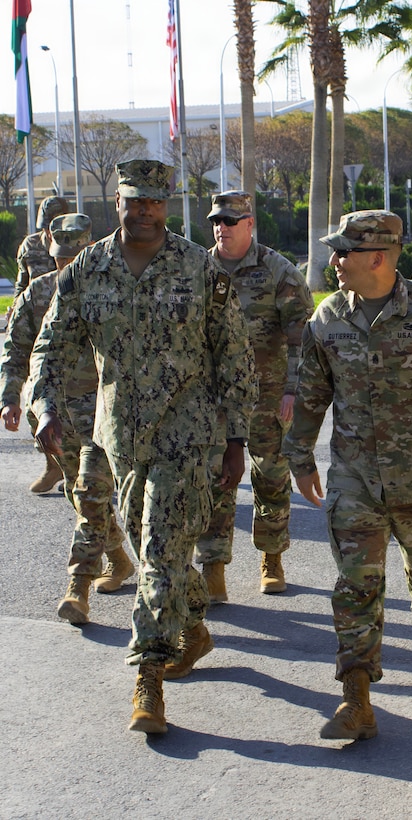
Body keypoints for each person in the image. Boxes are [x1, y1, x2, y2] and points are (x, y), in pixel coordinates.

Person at [30, 160, 257, 735]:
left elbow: (234, 353)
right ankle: (194, 628)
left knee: (158, 549)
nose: (145, 212)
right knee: (156, 546)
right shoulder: (89, 268)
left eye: (155, 202)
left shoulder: (198, 268)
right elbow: (50, 343)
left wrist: (236, 438)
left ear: (167, 205)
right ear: (119, 204)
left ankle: (148, 677)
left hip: (187, 432)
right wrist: (45, 405)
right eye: (135, 201)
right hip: (121, 437)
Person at [283, 210, 412, 741]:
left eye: (343, 252)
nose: (334, 260)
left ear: (377, 257)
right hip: (355, 477)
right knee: (355, 584)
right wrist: (299, 458)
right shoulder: (328, 316)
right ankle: (356, 698)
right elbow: (311, 394)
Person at [1, 213, 135, 625]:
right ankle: (119, 557)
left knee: (91, 493)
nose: (66, 265)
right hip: (56, 414)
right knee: (79, 494)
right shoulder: (39, 292)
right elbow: (17, 347)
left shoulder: (113, 288)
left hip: (103, 412)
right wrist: (10, 398)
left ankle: (78, 587)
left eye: (73, 256)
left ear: (89, 247)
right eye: (60, 257)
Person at [195, 190, 313, 600]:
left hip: (269, 394)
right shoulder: (199, 268)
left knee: (271, 477)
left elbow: (302, 339)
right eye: (216, 221)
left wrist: (293, 390)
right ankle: (212, 567)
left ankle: (271, 558)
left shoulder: (278, 271)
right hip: (215, 396)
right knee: (215, 477)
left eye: (229, 221)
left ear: (249, 224)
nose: (221, 228)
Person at [12, 195, 70, 494]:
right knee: (38, 400)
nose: (48, 232)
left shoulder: (77, 242)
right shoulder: (30, 246)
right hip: (39, 325)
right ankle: (53, 465)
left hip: (72, 332)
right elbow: (22, 282)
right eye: (46, 226)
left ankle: (80, 470)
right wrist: (17, 307)